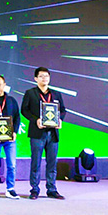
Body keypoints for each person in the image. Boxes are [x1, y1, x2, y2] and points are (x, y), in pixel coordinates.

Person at [21, 66, 67, 200]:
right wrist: (35, 120)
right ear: (36, 78)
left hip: (53, 133)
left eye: (46, 76)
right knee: (35, 162)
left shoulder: (56, 94)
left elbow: (63, 110)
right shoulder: (30, 93)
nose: (44, 78)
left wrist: (60, 119)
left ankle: (51, 189)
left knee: (52, 162)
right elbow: (24, 110)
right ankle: (34, 189)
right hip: (37, 133)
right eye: (41, 76)